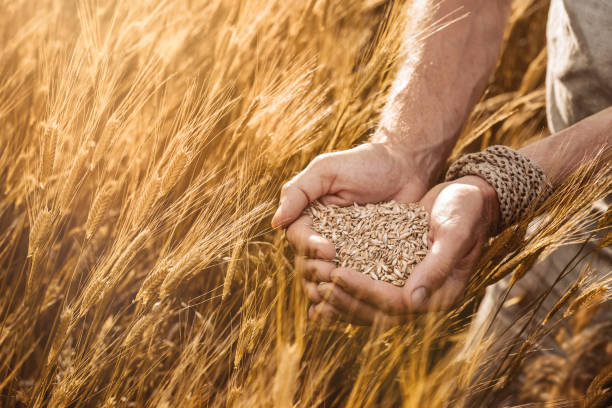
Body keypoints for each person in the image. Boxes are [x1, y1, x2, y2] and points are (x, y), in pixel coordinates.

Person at [271, 0, 612, 326]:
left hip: (567, 204)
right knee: (487, 383)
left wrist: (502, 181)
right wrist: (404, 150)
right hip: (571, 222)